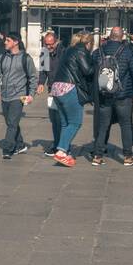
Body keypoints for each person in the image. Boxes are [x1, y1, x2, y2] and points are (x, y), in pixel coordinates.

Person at [90, 27, 133, 167]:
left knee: (103, 125)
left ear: (109, 36)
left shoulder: (98, 51)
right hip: (123, 94)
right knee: (125, 125)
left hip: (104, 94)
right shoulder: (127, 52)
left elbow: (91, 73)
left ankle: (97, 156)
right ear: (121, 37)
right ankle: (127, 156)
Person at [48, 31, 96, 167]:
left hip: (57, 87)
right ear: (88, 43)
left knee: (65, 123)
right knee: (75, 122)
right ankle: (61, 151)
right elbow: (88, 70)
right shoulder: (81, 50)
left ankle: (66, 153)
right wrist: (97, 65)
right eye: (92, 44)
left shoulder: (68, 50)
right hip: (69, 88)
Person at [0, 31, 37, 159]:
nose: (5, 42)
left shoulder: (26, 58)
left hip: (19, 95)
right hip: (5, 95)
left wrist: (32, 94)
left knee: (12, 123)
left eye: (8, 40)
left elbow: (33, 77)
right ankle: (20, 144)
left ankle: (8, 149)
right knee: (10, 122)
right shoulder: (2, 57)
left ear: (16, 42)